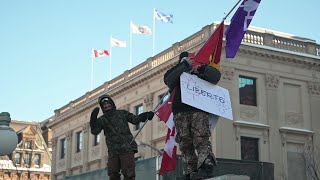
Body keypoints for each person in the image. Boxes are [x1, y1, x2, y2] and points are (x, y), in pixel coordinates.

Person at [164, 51, 221, 179]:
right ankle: (190, 169)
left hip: (198, 109)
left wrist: (203, 69)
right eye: (185, 59)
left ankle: (206, 165)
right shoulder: (176, 72)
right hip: (180, 111)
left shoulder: (200, 72)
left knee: (200, 137)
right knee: (185, 141)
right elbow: (169, 80)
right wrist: (184, 65)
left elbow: (216, 77)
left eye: (191, 59)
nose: (190, 61)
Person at [90, 94, 154, 180]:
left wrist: (145, 115)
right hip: (113, 151)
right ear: (102, 107)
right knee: (113, 173)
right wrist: (93, 120)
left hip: (126, 148)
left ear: (112, 103)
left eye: (108, 103)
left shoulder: (122, 113)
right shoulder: (102, 120)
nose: (107, 105)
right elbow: (95, 131)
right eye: (104, 105)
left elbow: (135, 119)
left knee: (128, 173)